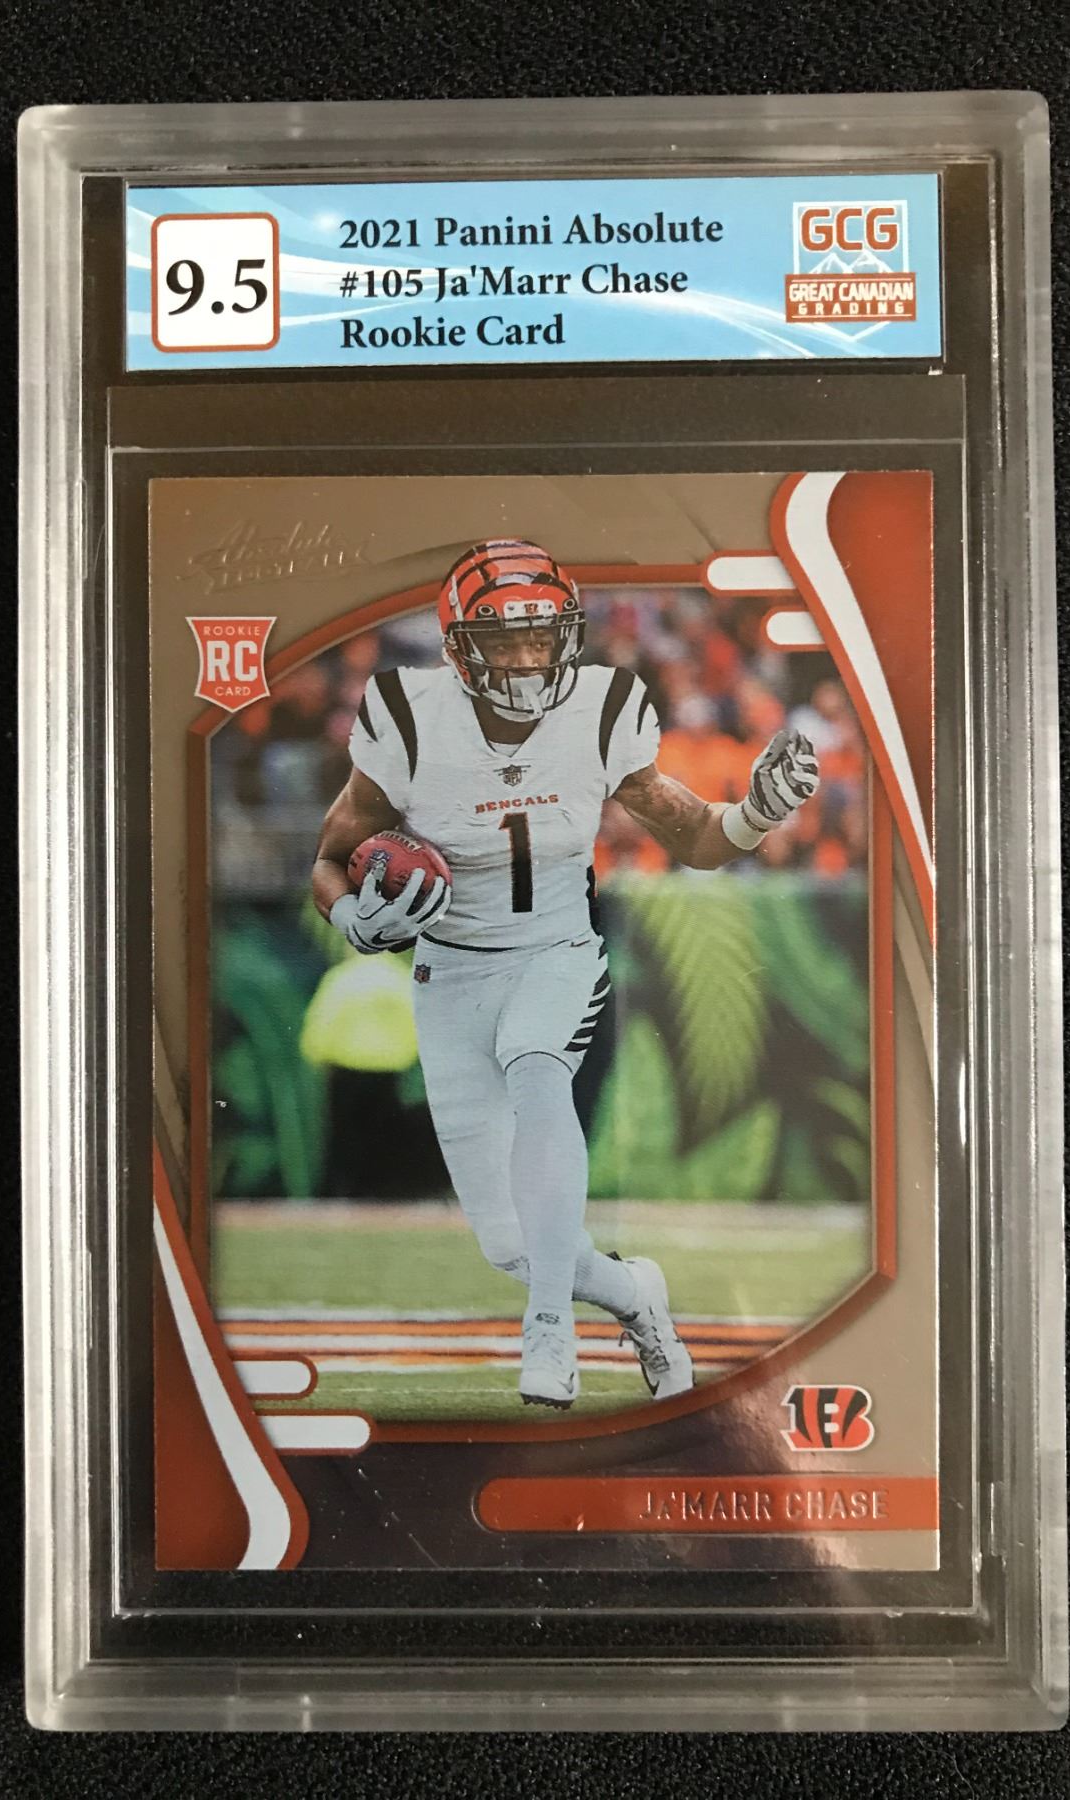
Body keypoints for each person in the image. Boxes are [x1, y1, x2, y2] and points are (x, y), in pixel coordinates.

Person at [311, 540, 819, 1410]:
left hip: (556, 951)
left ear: (568, 635)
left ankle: (549, 1328)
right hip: (450, 976)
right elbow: (329, 860)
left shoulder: (602, 707)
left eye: (540, 636)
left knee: (541, 1073)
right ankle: (635, 1295)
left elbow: (694, 838)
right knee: (509, 1244)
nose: (525, 658)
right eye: (502, 640)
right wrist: (351, 916)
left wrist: (755, 814)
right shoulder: (409, 716)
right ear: (459, 647)